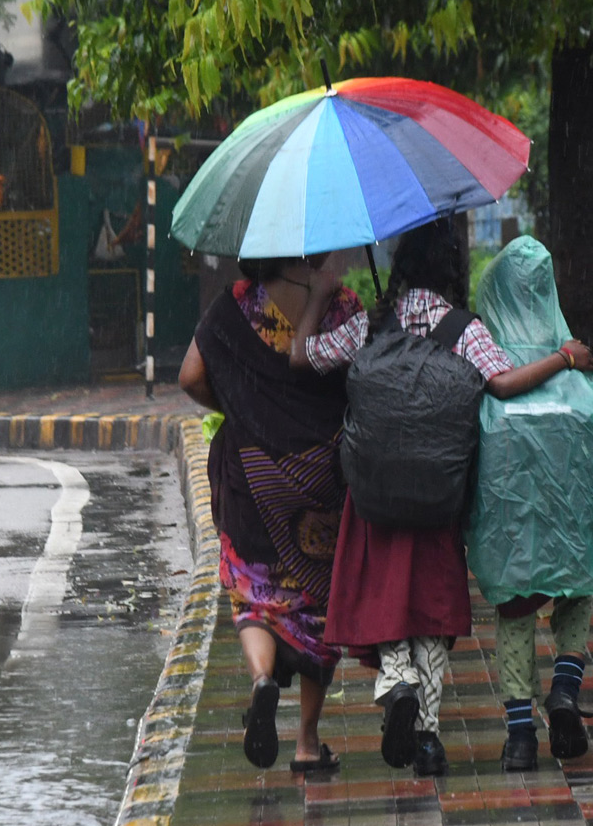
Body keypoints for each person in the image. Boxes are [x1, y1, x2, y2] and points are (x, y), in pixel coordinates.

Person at [291, 218, 593, 777]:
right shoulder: (465, 328)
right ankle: (427, 737)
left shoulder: (371, 322)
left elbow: (302, 357)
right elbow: (503, 384)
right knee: (430, 609)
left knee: (382, 598)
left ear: (403, 264)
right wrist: (566, 359)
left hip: (376, 491)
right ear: (452, 268)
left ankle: (397, 680)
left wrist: (319, 294)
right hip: (437, 489)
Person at [178, 255, 363, 773]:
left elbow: (190, 376)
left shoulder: (235, 306)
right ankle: (307, 742)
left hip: (250, 477)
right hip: (320, 477)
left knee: (253, 594)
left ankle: (262, 680)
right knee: (316, 605)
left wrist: (240, 406)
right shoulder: (342, 303)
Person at [466, 236, 593, 772]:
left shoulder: (487, 361)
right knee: (579, 592)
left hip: (511, 528)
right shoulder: (575, 365)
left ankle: (520, 736)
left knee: (516, 613)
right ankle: (565, 685)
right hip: (571, 526)